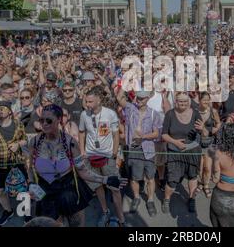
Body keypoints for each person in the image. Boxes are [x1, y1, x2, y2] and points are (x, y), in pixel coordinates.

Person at [26, 104, 125, 227]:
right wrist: (30, 183)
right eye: (41, 120)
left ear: (59, 120)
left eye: (49, 120)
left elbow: (82, 171)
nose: (44, 124)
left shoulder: (70, 143)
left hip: (68, 190)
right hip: (45, 192)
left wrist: (106, 179)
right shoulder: (34, 142)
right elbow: (30, 167)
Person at [78, 87, 125, 227]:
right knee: (97, 186)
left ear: (99, 100)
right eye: (86, 101)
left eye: (90, 101)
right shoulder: (84, 115)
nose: (87, 104)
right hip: (91, 157)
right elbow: (81, 132)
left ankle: (121, 217)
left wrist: (115, 153)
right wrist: (82, 151)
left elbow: (116, 134)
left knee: (114, 187)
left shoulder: (110, 114)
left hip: (108, 157)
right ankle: (105, 212)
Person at [117, 89, 162, 217]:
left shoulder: (154, 114)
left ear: (148, 99)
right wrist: (125, 85)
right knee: (135, 177)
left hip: (148, 149)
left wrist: (144, 136)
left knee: (150, 177)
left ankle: (151, 199)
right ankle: (136, 197)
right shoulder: (131, 109)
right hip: (134, 148)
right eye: (138, 97)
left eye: (142, 98)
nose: (139, 100)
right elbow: (119, 98)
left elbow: (156, 133)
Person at [161, 92, 208, 214]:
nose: (183, 103)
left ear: (189, 102)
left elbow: (205, 134)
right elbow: (164, 135)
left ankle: (191, 199)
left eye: (185, 101)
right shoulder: (170, 114)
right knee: (172, 180)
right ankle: (166, 200)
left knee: (192, 176)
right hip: (175, 152)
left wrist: (203, 129)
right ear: (176, 102)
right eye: (180, 101)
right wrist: (175, 142)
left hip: (192, 151)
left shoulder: (195, 113)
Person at [196, 92, 221, 199]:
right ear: (199, 100)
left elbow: (218, 124)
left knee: (207, 167)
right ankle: (200, 183)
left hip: (210, 143)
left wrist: (213, 130)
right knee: (200, 167)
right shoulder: (195, 112)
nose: (206, 101)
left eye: (208, 99)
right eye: (204, 99)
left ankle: (206, 185)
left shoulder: (213, 111)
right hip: (197, 143)